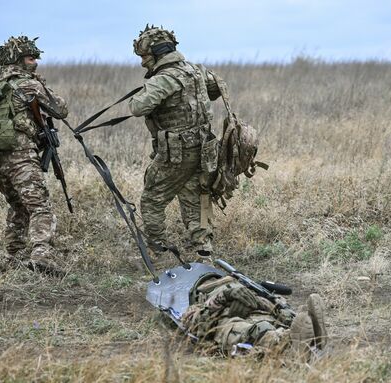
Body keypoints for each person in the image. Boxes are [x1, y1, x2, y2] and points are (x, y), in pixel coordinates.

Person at [128, 25, 225, 260]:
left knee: (151, 199)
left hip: (176, 153)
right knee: (195, 197)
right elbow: (217, 87)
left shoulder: (164, 78)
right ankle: (204, 249)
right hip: (203, 149)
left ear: (158, 52)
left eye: (145, 56)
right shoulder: (195, 70)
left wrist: (148, 90)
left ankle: (156, 250)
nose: (143, 63)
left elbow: (137, 107)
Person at [0, 36, 68, 275]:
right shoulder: (28, 84)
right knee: (40, 207)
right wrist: (40, 84)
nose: (36, 63)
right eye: (31, 58)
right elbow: (60, 109)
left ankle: (12, 258)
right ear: (18, 60)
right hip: (20, 157)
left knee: (18, 206)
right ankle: (41, 256)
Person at [182, 275, 328, 359]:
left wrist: (265, 302)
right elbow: (196, 326)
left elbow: (274, 309)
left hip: (262, 316)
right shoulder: (199, 307)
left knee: (287, 320)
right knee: (260, 329)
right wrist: (224, 297)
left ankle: (306, 334)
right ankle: (298, 342)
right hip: (230, 324)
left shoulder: (250, 294)